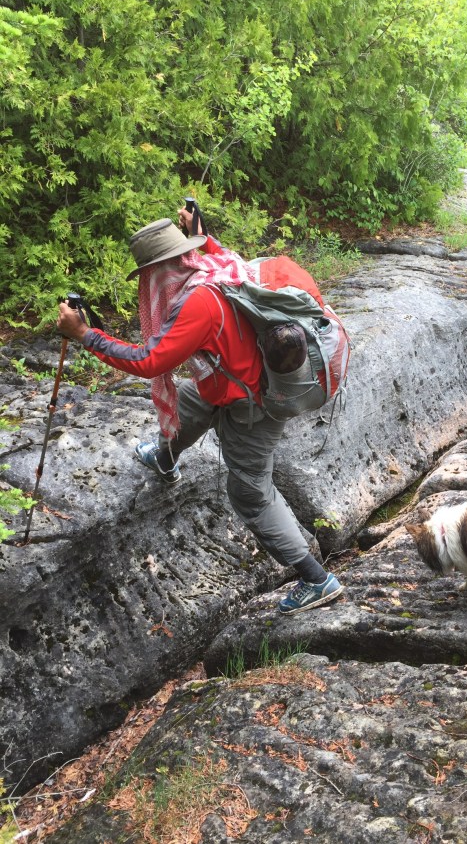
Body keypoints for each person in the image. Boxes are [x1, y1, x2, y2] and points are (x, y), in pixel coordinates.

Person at [56, 209, 343, 615]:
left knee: (249, 494)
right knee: (187, 403)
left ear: (157, 271)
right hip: (228, 382)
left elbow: (149, 361)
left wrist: (86, 335)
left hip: (254, 404)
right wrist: (200, 233)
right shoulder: (215, 266)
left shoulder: (198, 304)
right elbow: (217, 251)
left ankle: (316, 579)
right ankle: (165, 458)